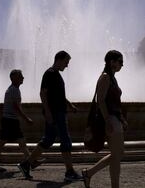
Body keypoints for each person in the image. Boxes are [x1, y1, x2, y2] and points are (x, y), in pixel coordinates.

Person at [17, 50, 82, 182]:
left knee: (48, 140)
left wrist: (70, 105)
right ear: (59, 59)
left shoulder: (56, 74)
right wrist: (47, 112)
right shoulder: (50, 73)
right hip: (55, 113)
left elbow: (59, 95)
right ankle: (69, 171)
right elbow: (43, 93)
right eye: (66, 62)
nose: (67, 65)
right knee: (65, 139)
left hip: (57, 112)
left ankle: (26, 164)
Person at [81, 50, 128, 188]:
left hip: (115, 118)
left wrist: (122, 119)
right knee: (117, 154)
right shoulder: (105, 77)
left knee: (118, 154)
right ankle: (108, 183)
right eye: (120, 61)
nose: (122, 65)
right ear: (111, 62)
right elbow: (100, 100)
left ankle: (88, 173)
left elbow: (114, 102)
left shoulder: (112, 77)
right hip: (110, 119)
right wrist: (107, 120)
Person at [0, 69, 35, 174]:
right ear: (13, 78)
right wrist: (26, 118)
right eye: (20, 76)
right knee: (15, 142)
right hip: (11, 120)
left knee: (14, 142)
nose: (23, 78)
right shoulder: (14, 90)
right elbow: (16, 107)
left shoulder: (12, 89)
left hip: (9, 120)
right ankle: (31, 162)